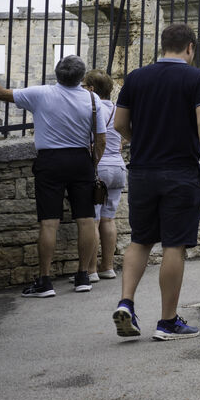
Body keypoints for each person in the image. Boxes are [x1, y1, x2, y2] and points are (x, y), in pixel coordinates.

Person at [112, 23, 200, 341]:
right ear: (190, 47)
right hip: (180, 171)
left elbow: (119, 123)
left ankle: (126, 303)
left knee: (140, 240)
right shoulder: (198, 78)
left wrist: (140, 140)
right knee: (174, 244)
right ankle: (167, 321)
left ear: (163, 45)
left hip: (142, 170)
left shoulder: (136, 77)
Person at [0, 53, 104, 296]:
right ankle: (83, 276)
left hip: (50, 160)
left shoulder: (40, 94)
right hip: (81, 160)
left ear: (57, 73)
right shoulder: (92, 99)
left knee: (49, 222)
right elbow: (101, 139)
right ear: (81, 77)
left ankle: (45, 280)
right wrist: (93, 163)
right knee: (86, 220)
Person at [82, 69, 125, 281]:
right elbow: (129, 132)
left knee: (94, 220)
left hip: (101, 169)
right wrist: (120, 144)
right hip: (119, 168)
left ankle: (91, 271)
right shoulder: (118, 109)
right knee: (108, 219)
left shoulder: (92, 109)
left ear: (92, 89)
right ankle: (107, 267)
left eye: (84, 86)